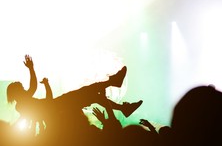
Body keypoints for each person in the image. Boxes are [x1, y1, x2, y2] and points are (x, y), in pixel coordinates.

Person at [7, 55, 143, 130]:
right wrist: (31, 69)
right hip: (60, 108)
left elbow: (40, 95)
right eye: (21, 88)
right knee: (89, 92)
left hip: (58, 105)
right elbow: (34, 89)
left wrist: (39, 77)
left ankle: (123, 106)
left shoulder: (25, 103)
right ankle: (114, 84)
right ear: (17, 93)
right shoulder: (23, 105)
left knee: (94, 95)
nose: (25, 89)